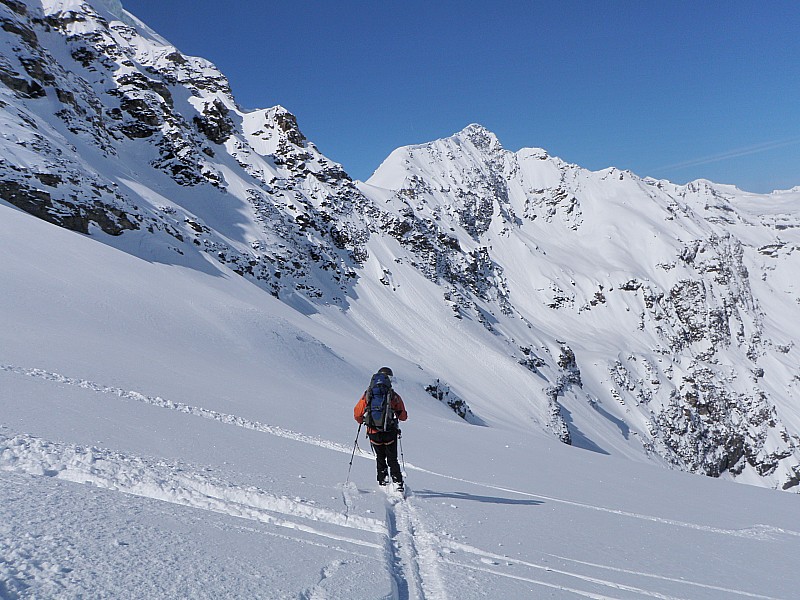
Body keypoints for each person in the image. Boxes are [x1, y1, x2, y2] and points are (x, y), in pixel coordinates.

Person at [354, 367, 408, 489]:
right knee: (392, 458)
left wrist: (362, 420)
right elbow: (403, 416)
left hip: (373, 432)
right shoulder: (393, 395)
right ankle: (398, 483)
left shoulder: (368, 394)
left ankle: (382, 480)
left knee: (380, 456)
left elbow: (357, 413)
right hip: (389, 432)